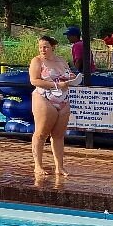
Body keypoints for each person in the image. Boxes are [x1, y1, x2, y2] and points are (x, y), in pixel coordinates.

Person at [29, 34, 79, 180]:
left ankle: (59, 166)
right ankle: (38, 165)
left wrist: (72, 78)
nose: (42, 50)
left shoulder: (61, 61)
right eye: (40, 47)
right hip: (44, 97)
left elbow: (68, 74)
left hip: (63, 98)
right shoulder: (37, 61)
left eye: (45, 47)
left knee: (58, 135)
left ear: (52, 47)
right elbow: (34, 80)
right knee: (41, 133)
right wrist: (55, 85)